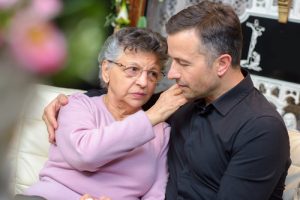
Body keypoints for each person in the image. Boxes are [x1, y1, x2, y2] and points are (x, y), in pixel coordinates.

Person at [43, 1, 291, 199]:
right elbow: (125, 97)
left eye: (183, 63)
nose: (171, 74)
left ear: (222, 64)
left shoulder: (261, 128)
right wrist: (64, 102)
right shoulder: (183, 98)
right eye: (172, 62)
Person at [19, 27, 187, 200]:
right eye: (133, 69)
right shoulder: (77, 106)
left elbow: (156, 195)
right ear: (106, 70)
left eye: (152, 73)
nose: (143, 82)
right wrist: (151, 117)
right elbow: (84, 156)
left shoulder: (163, 133)